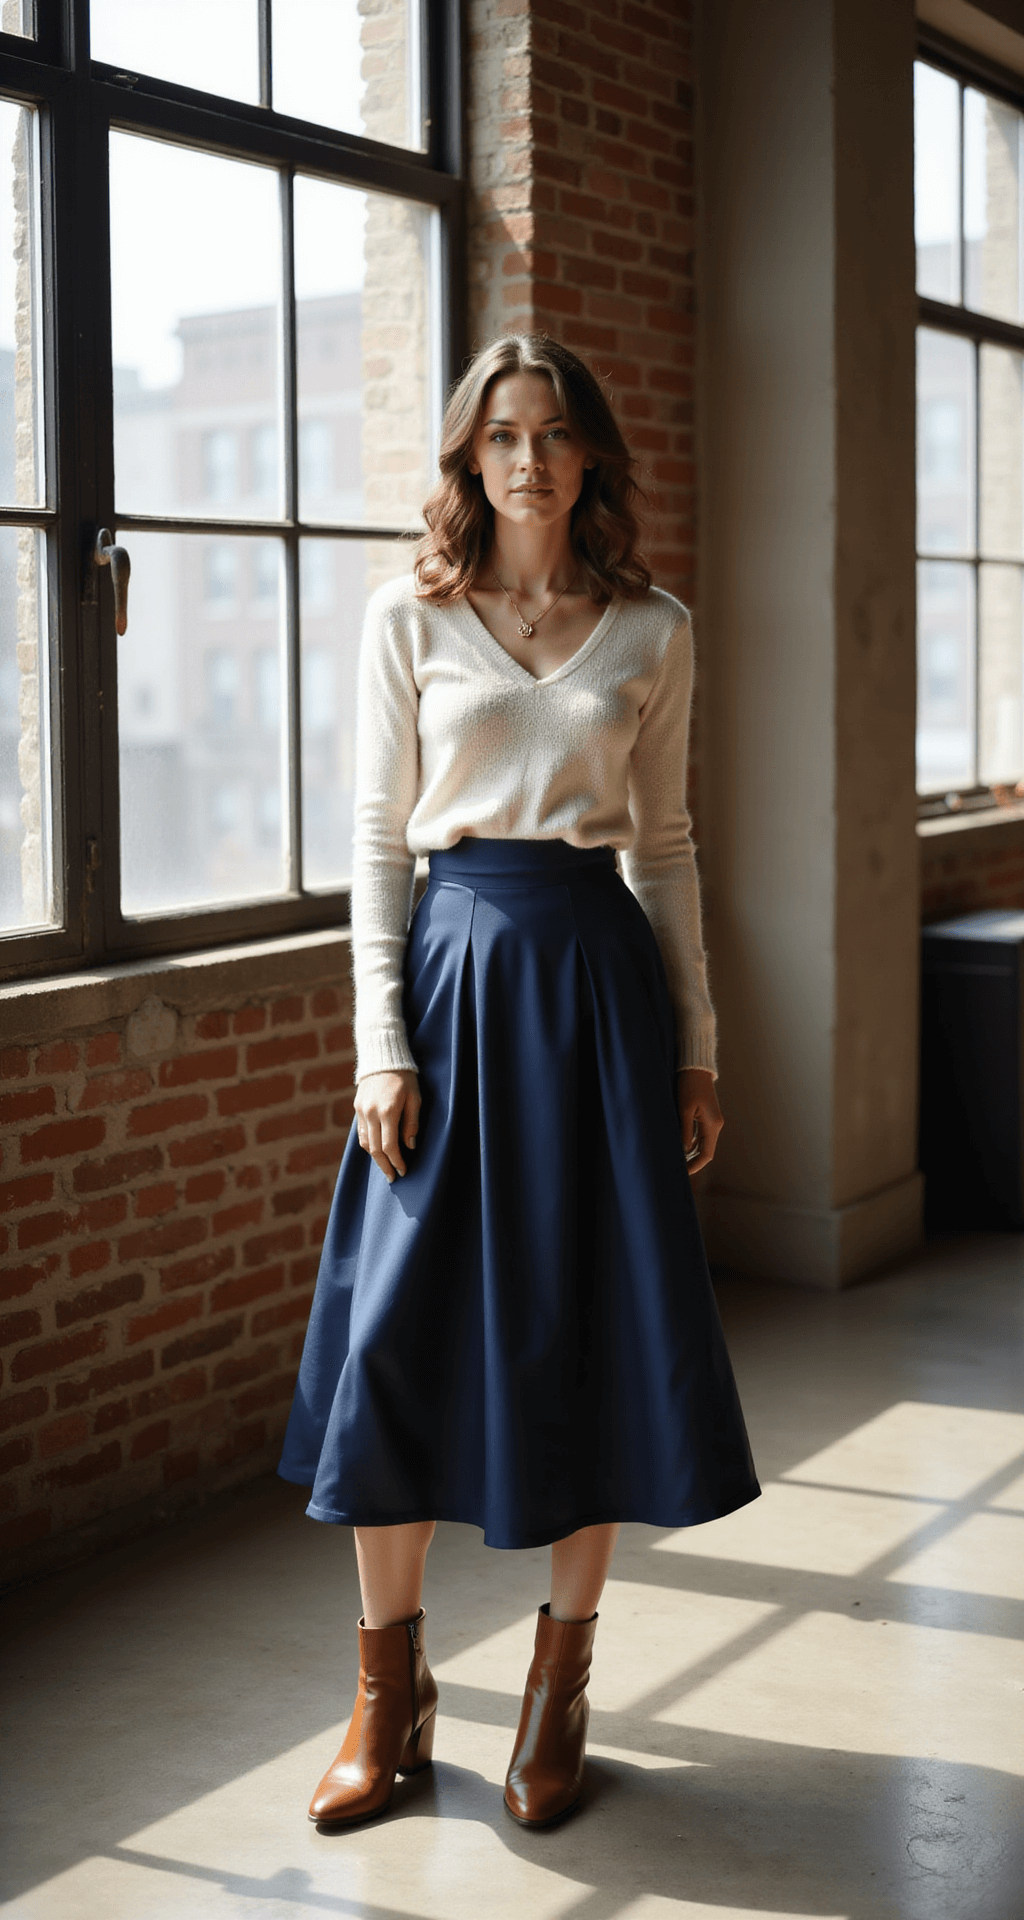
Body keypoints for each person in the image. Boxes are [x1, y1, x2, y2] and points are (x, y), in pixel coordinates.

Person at [278, 333, 759, 1832]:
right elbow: (374, 846)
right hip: (448, 971)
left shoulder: (653, 629)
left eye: (553, 433)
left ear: (590, 454)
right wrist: (378, 1046)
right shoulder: (407, 620)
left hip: (597, 990)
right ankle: (387, 1691)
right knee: (395, 1342)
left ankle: (557, 1693)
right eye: (500, 435)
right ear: (467, 459)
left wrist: (698, 1044)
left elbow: (665, 849)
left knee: (589, 1332)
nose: (528, 458)